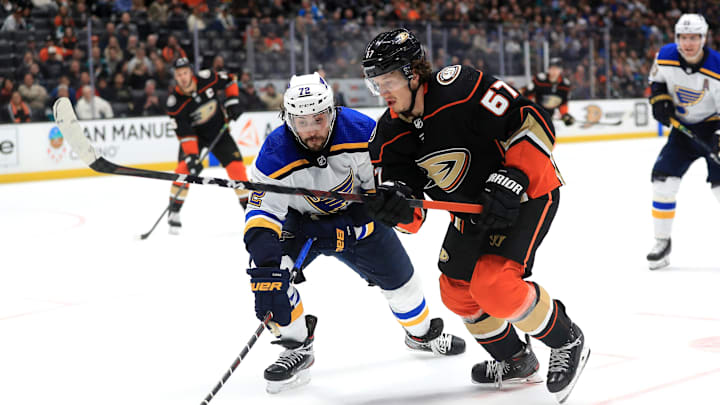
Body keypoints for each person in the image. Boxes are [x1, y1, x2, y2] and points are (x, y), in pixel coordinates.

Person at [361, 29, 590, 403]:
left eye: (387, 80)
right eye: (376, 84)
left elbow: (530, 119)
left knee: (495, 287)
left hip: (526, 196)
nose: (382, 91)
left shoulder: (461, 87)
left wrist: (515, 175)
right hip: (471, 214)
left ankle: (567, 339)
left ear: (412, 73)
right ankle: (516, 359)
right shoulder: (387, 137)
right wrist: (396, 206)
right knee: (457, 292)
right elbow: (413, 217)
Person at [243, 72, 466, 394]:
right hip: (301, 226)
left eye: (318, 120)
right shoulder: (274, 154)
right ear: (287, 118)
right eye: (301, 122)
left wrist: (351, 225)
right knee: (271, 278)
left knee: (405, 286)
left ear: (332, 111)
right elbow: (263, 214)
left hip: (356, 221)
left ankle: (420, 335)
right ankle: (297, 347)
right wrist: (265, 264)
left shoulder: (362, 132)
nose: (311, 131)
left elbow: (377, 196)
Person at [646, 14, 720, 270]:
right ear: (677, 38)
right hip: (683, 129)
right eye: (684, 37)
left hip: (714, 128)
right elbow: (656, 83)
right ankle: (662, 243)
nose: (689, 43)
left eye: (694, 37)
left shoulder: (717, 66)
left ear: (704, 38)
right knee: (662, 181)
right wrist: (660, 101)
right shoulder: (665, 56)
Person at [165, 57, 249, 234]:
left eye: (185, 73)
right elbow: (185, 135)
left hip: (219, 131)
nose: (183, 77)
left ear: (191, 72)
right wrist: (192, 157)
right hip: (196, 138)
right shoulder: (175, 103)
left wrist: (233, 101)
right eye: (179, 74)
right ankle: (174, 211)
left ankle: (250, 211)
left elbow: (230, 79)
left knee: (237, 170)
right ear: (175, 77)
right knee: (183, 170)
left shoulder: (207, 78)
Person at [523, 57, 574, 126]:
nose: (554, 71)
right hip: (535, 114)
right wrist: (528, 110)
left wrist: (565, 115)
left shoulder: (565, 85)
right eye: (552, 68)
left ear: (561, 70)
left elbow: (563, 103)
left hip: (549, 117)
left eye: (557, 69)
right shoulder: (540, 80)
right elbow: (527, 95)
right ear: (548, 69)